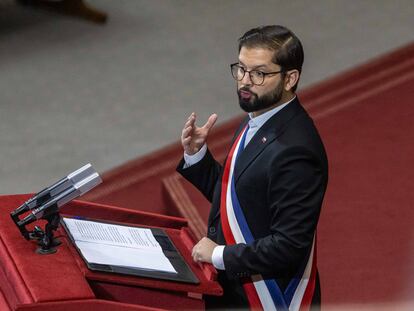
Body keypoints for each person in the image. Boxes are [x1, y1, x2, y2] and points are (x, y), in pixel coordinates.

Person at [177, 25, 328, 311]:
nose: (245, 82)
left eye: (259, 73)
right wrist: (197, 157)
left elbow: (289, 246)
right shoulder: (258, 118)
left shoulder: (296, 151)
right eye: (241, 69)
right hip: (239, 289)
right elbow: (240, 202)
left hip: (269, 296)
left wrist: (220, 255)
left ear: (290, 78)